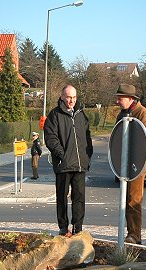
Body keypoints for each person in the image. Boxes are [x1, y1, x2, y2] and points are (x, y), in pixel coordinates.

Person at [44, 85, 93, 237]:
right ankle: (63, 228)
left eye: (74, 97)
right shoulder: (54, 115)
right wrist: (61, 155)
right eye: (68, 97)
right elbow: (50, 138)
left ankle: (78, 228)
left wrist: (87, 154)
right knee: (62, 198)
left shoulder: (81, 114)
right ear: (62, 97)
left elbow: (87, 137)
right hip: (63, 164)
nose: (71, 100)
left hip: (79, 165)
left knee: (79, 198)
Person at [116, 83, 146, 244]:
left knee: (133, 200)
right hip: (124, 164)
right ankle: (130, 233)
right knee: (125, 199)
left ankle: (134, 235)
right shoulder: (122, 114)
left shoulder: (143, 114)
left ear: (130, 98)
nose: (117, 101)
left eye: (120, 98)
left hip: (137, 165)